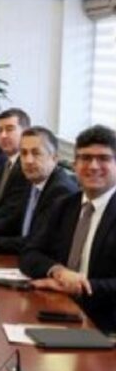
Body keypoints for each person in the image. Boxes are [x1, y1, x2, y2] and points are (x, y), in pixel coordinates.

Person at [20, 125, 116, 332]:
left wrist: (78, 286)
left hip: (105, 326)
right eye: (85, 158)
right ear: (74, 165)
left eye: (103, 158)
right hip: (57, 309)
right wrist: (58, 272)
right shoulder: (65, 205)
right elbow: (29, 253)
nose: (93, 166)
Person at [0, 127, 78, 254]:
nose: (28, 161)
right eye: (24, 153)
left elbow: (36, 242)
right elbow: (12, 223)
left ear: (54, 158)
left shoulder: (60, 191)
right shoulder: (33, 181)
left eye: (36, 153)